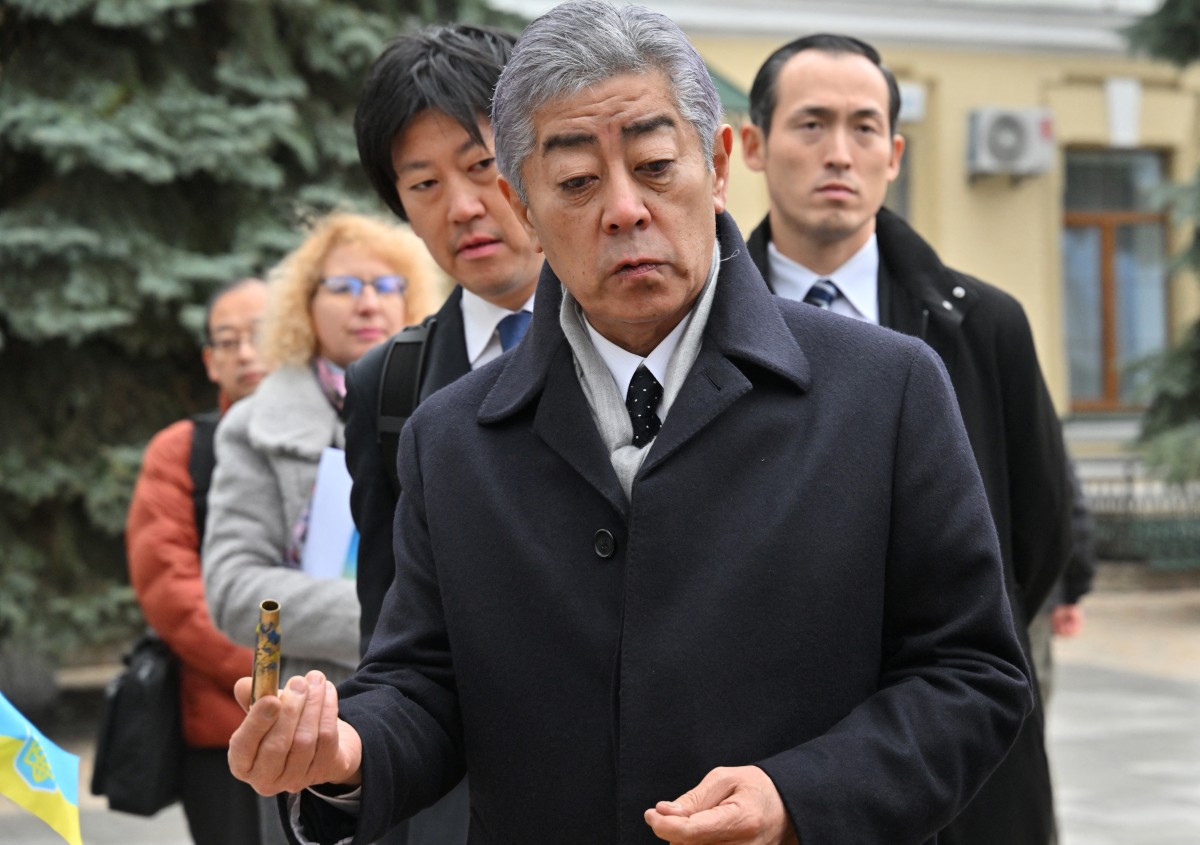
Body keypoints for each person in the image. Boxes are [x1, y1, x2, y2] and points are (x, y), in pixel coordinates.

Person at [227, 4, 1033, 844]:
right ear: (523, 204)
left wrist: (798, 797)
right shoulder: (453, 437)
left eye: (654, 165)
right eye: (575, 182)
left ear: (717, 166)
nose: (623, 209)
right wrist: (348, 748)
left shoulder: (886, 389)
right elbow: (423, 683)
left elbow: (970, 673)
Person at [739, 33, 1074, 845]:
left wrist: (938, 670)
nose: (839, 154)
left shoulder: (983, 324)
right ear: (750, 146)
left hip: (950, 748)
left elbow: (1035, 529)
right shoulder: (695, 328)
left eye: (863, 129)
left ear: (894, 153)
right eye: (811, 125)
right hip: (760, 752)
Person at [344, 24, 545, 845]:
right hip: (447, 807)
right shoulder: (385, 383)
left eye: (480, 165)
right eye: (423, 183)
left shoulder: (641, 342)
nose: (462, 207)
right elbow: (388, 628)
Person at [202, 212, 438, 844]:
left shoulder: (455, 409)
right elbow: (232, 589)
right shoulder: (255, 427)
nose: (369, 302)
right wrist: (393, 616)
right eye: (344, 286)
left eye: (388, 285)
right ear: (303, 305)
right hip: (310, 729)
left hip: (438, 728)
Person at [126, 277, 268, 845]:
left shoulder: (342, 431)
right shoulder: (180, 450)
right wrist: (272, 677)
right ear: (211, 362)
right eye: (228, 341)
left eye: (258, 334)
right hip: (225, 729)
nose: (245, 353)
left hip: (342, 716)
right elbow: (173, 594)